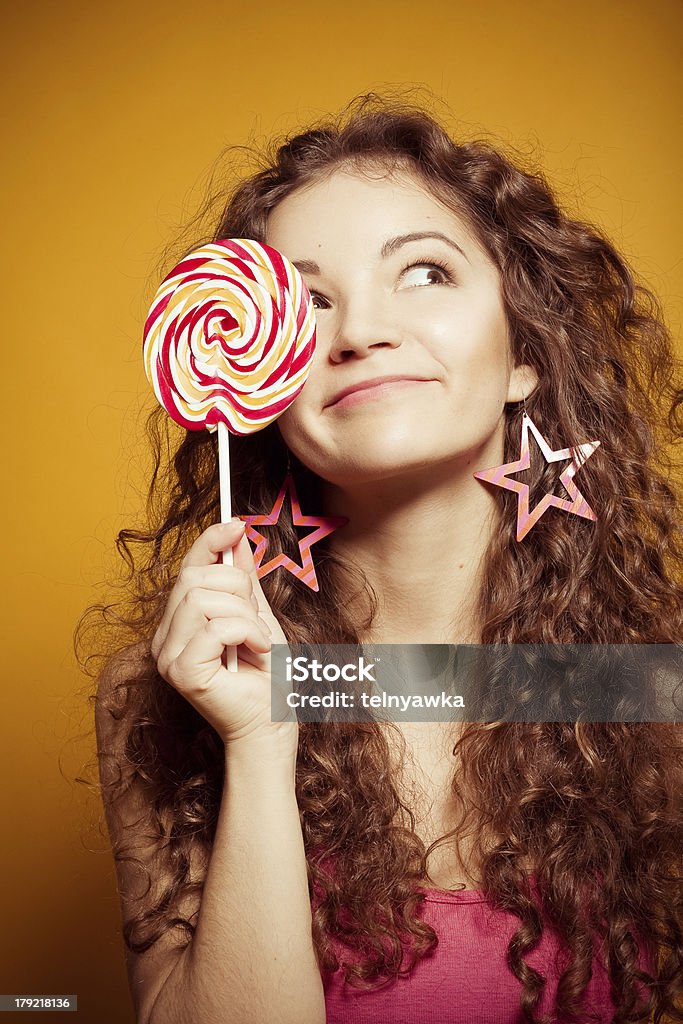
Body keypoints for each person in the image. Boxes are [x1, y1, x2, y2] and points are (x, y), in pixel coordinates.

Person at [85, 96, 682, 1024]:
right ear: (254, 379)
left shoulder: (648, 685)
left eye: (425, 273)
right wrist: (258, 733)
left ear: (524, 352)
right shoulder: (156, 698)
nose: (358, 331)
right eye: (309, 300)